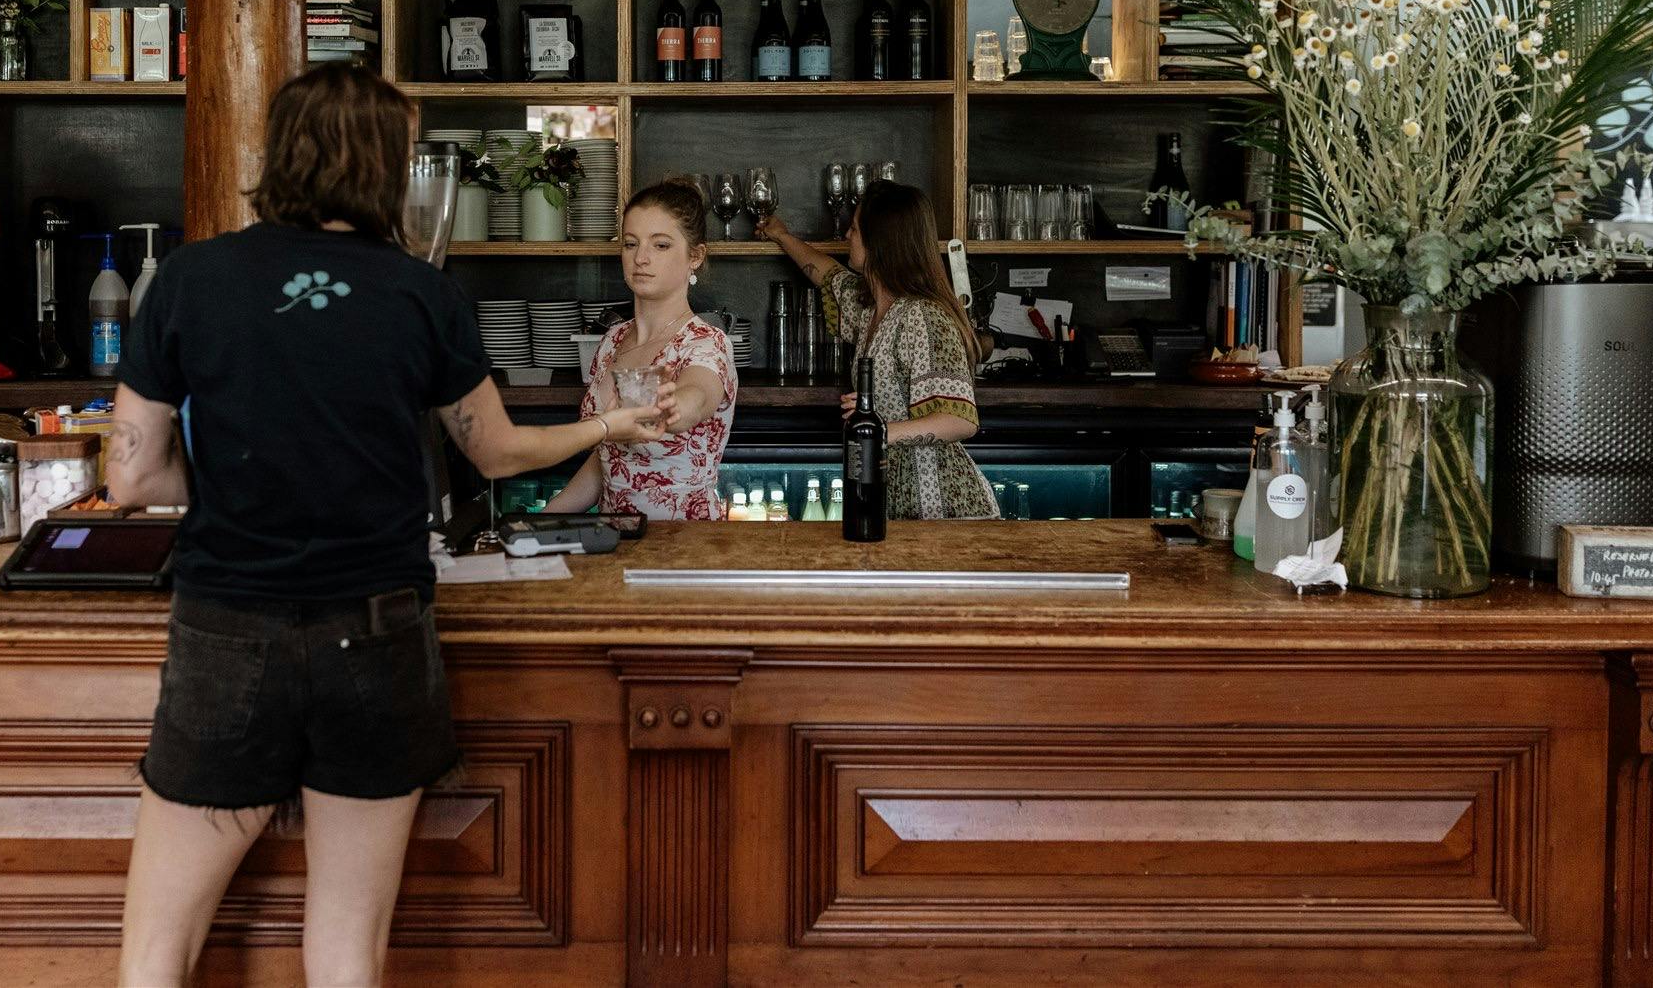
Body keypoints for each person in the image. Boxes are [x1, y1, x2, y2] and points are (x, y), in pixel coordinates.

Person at [106, 64, 671, 988]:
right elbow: (495, 452)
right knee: (346, 949)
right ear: (384, 169)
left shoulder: (190, 279)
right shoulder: (421, 294)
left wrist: (206, 488)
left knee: (157, 950)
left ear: (278, 155)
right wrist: (607, 424)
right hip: (373, 633)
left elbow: (129, 476)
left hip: (227, 628)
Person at [756, 180, 997, 520]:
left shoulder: (924, 316)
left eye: (854, 230)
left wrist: (880, 427)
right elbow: (825, 273)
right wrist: (781, 235)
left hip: (942, 509)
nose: (846, 237)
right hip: (899, 499)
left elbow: (960, 420)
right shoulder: (870, 306)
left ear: (878, 241)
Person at [546, 180, 736, 520]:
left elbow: (699, 394)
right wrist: (539, 520)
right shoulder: (611, 342)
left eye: (661, 245)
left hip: (684, 543)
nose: (641, 258)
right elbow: (606, 464)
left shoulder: (706, 341)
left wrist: (673, 404)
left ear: (695, 256)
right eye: (630, 244)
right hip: (614, 538)